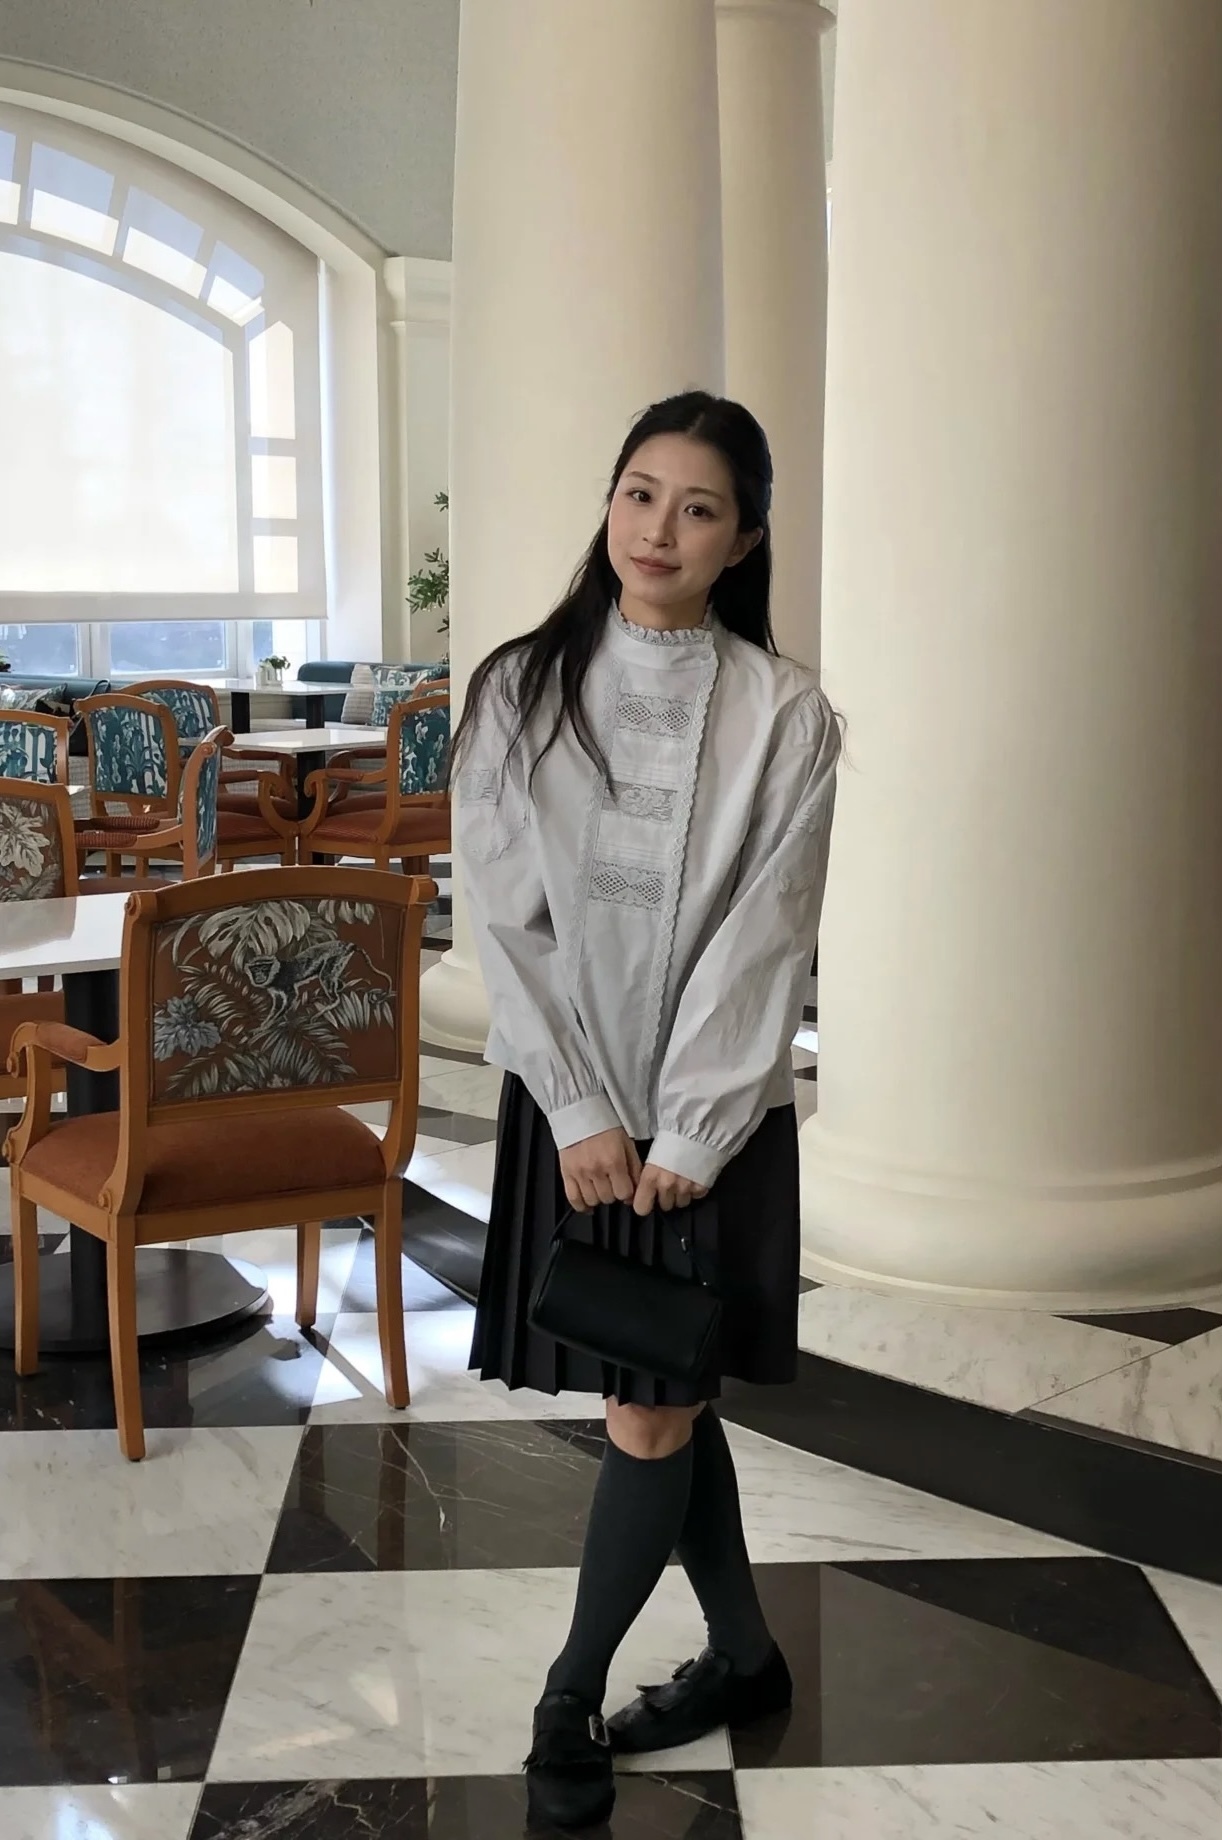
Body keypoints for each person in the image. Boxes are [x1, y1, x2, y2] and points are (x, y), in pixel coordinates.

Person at [453, 390, 840, 1831]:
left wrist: (690, 1127)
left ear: (743, 539)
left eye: (697, 507)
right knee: (662, 1387)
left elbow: (767, 934)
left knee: (653, 1403)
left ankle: (569, 1693)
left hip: (702, 1127)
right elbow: (505, 918)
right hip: (577, 1111)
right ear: (608, 503)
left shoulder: (785, 713)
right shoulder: (518, 687)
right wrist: (576, 1107)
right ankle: (743, 1656)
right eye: (637, 492)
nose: (658, 529)